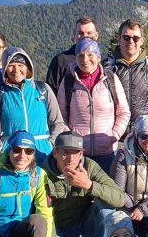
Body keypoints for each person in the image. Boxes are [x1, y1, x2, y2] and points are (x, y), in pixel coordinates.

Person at [43, 131, 126, 237]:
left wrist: (88, 185)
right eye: (65, 152)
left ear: (81, 154)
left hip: (85, 224)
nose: (71, 159)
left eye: (75, 153)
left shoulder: (89, 166)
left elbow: (120, 198)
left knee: (105, 208)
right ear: (55, 153)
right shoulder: (43, 173)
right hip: (60, 229)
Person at [56, 38, 130, 173]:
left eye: (90, 55)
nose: (85, 59)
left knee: (104, 191)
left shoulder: (111, 79)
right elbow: (60, 115)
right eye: (81, 55)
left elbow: (124, 112)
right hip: (78, 154)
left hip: (107, 153)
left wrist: (113, 136)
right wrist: (70, 140)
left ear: (98, 57)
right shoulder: (68, 81)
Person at [0, 47, 67, 163]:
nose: (16, 69)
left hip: (42, 154)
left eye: (21, 65)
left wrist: (50, 145)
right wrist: (0, 147)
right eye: (11, 65)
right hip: (13, 155)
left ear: (28, 68)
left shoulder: (42, 90)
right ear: (5, 69)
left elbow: (57, 122)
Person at [105, 20, 148, 131]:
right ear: (119, 39)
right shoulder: (107, 67)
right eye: (126, 37)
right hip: (113, 136)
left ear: (142, 41)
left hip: (144, 136)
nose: (131, 41)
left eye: (136, 38)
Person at [45, 16, 100, 94]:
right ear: (74, 36)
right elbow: (50, 92)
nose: (85, 36)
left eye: (89, 33)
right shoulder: (61, 61)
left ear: (96, 35)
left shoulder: (104, 61)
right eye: (80, 33)